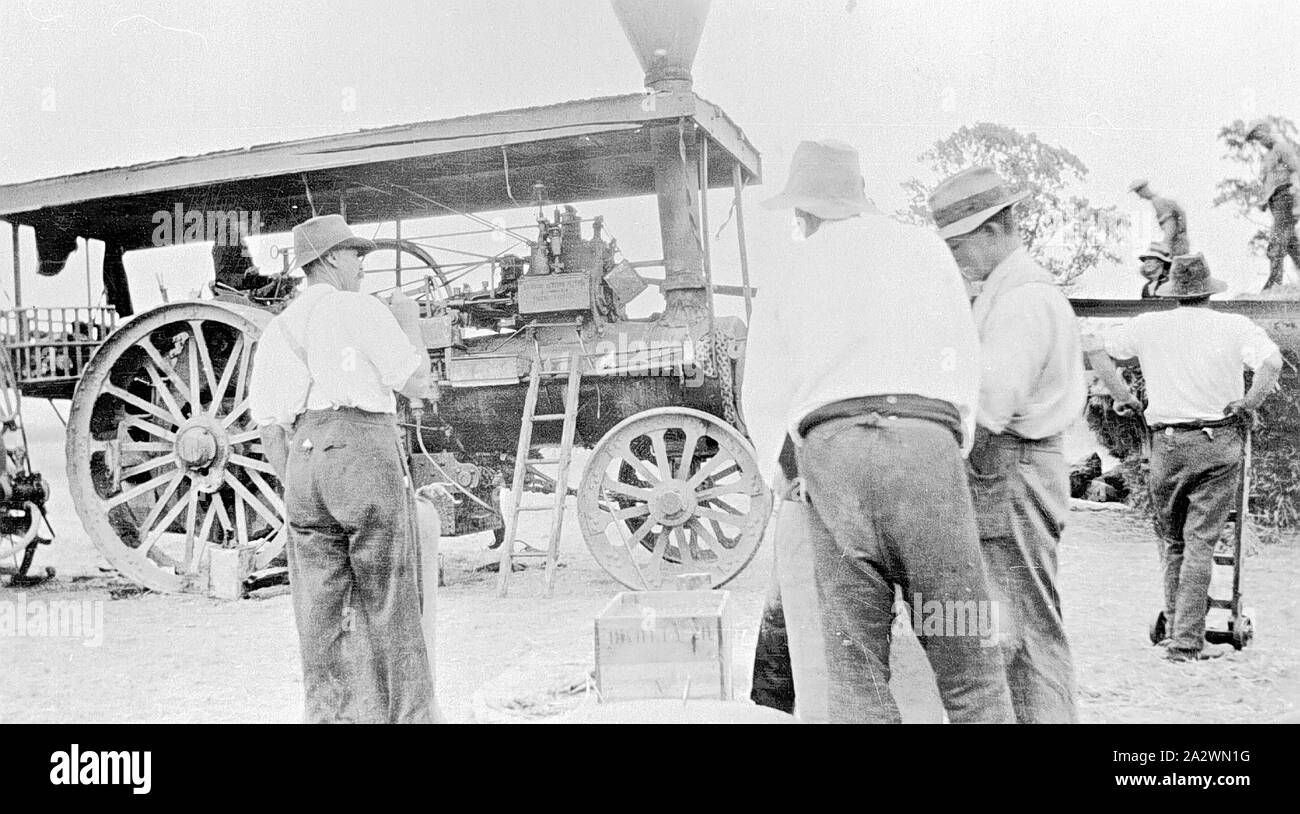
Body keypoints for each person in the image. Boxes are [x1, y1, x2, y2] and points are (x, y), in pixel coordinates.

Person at [744, 140, 1014, 724]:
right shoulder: (923, 248)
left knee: (856, 673)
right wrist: (945, 448)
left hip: (834, 453)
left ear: (803, 213)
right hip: (925, 448)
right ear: (862, 196)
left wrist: (792, 471)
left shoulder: (791, 267)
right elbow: (963, 365)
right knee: (968, 660)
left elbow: (764, 392)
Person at [249, 214, 438, 723]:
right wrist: (410, 322)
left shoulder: (279, 328)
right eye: (356, 255)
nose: (361, 265)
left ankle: (329, 719)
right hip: (361, 453)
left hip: (304, 468)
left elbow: (269, 424)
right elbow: (418, 383)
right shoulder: (358, 309)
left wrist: (301, 481)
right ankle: (411, 719)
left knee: (319, 613)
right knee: (391, 599)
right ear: (331, 259)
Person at [929, 166, 1085, 723]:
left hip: (1010, 468)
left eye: (959, 242)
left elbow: (990, 405)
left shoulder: (1020, 299)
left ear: (996, 228)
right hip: (1013, 467)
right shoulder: (1008, 290)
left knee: (1025, 629)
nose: (954, 256)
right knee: (1013, 626)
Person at [1085, 253, 1281, 663]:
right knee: (1200, 544)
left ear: (1173, 290)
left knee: (1174, 541)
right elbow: (1271, 362)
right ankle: (1188, 641)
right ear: (1209, 290)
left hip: (1166, 446)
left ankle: (1177, 627)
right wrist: (1249, 402)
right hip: (1216, 442)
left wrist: (1124, 397)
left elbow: (1095, 348)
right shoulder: (1233, 326)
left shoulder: (1148, 324)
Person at [1244, 120, 1300, 289]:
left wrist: (1297, 204)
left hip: (1286, 198)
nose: (1260, 142)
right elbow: (1270, 181)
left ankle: (1274, 285)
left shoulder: (1282, 148)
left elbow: (1296, 171)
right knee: (1291, 244)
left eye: (1260, 137)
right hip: (1276, 202)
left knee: (1276, 241)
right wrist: (1263, 200)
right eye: (1257, 140)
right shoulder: (1269, 155)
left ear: (1267, 132)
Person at [1129, 180, 1190, 257]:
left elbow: (1170, 223)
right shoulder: (1160, 199)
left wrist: (1166, 243)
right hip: (1179, 241)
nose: (1140, 197)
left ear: (1143, 191)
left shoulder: (1158, 202)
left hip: (1176, 244)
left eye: (1138, 193)